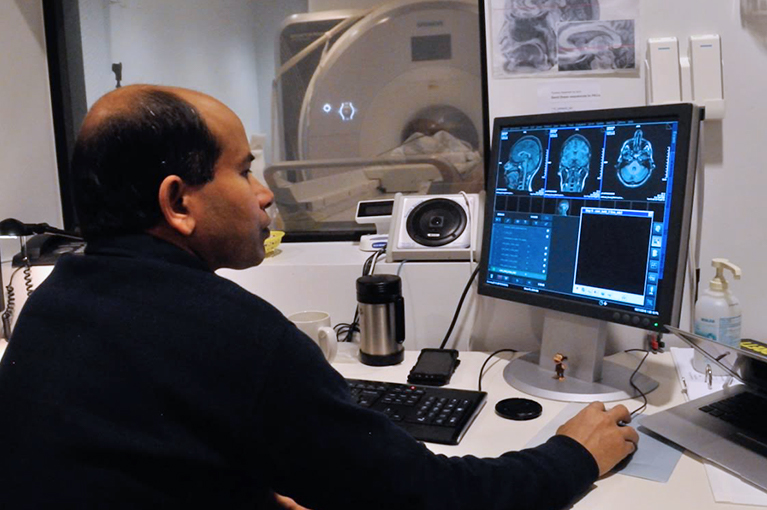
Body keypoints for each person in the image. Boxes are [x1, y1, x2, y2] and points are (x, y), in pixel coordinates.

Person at [0, 85, 638, 510]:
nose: (265, 194)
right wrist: (573, 455)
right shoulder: (236, 336)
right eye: (244, 169)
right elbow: (426, 497)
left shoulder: (54, 306)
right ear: (177, 202)